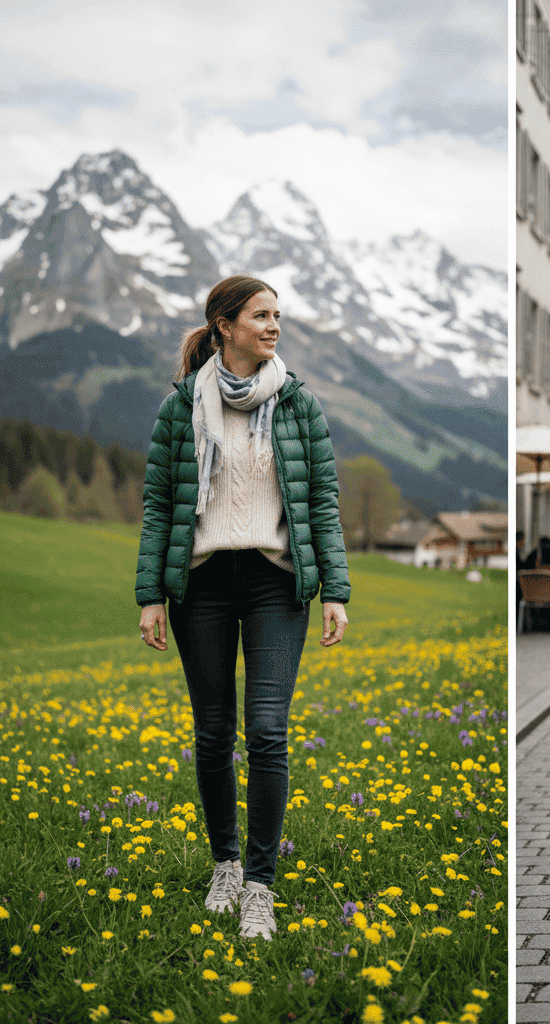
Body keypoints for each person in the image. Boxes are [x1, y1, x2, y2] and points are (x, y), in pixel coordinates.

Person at [135, 275, 351, 942]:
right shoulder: (181, 407)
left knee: (267, 730)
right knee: (212, 732)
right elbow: (159, 504)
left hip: (273, 581)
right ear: (224, 326)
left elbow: (321, 499)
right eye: (260, 315)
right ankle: (225, 867)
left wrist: (336, 590)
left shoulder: (298, 404)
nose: (273, 326)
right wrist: (149, 595)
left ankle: (260, 886)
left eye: (277, 315)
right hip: (200, 582)